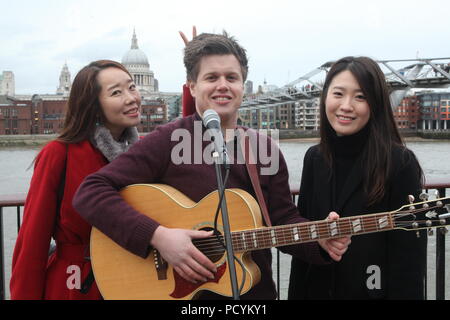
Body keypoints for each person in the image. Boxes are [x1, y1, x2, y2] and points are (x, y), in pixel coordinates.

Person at [72, 31, 350, 300]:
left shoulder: (264, 148)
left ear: (243, 85)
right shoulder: (167, 140)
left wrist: (319, 242)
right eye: (211, 77)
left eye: (232, 77)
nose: (223, 85)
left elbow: (282, 220)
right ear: (192, 86)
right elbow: (91, 192)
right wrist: (159, 237)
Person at [288, 56, 427, 300]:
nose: (346, 105)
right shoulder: (314, 158)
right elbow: (305, 245)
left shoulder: (400, 162)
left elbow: (409, 263)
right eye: (338, 94)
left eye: (360, 97)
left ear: (375, 104)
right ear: (325, 98)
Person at [10, 60, 141, 299]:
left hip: (134, 281)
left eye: (132, 87)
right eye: (116, 92)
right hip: (77, 286)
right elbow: (32, 241)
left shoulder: (143, 155)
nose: (131, 97)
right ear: (94, 106)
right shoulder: (60, 154)